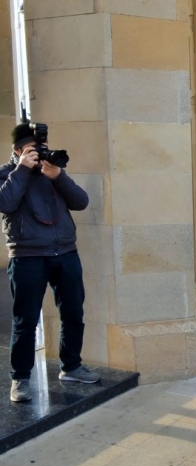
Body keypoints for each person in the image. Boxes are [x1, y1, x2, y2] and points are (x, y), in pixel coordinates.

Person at [0, 122, 100, 403]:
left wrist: (59, 177)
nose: (39, 154)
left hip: (65, 252)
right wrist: (21, 169)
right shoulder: (7, 174)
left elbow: (81, 201)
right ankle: (20, 379)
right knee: (26, 321)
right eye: (32, 149)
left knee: (73, 313)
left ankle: (71, 366)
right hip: (27, 257)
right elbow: (5, 203)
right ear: (18, 150)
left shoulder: (50, 172)